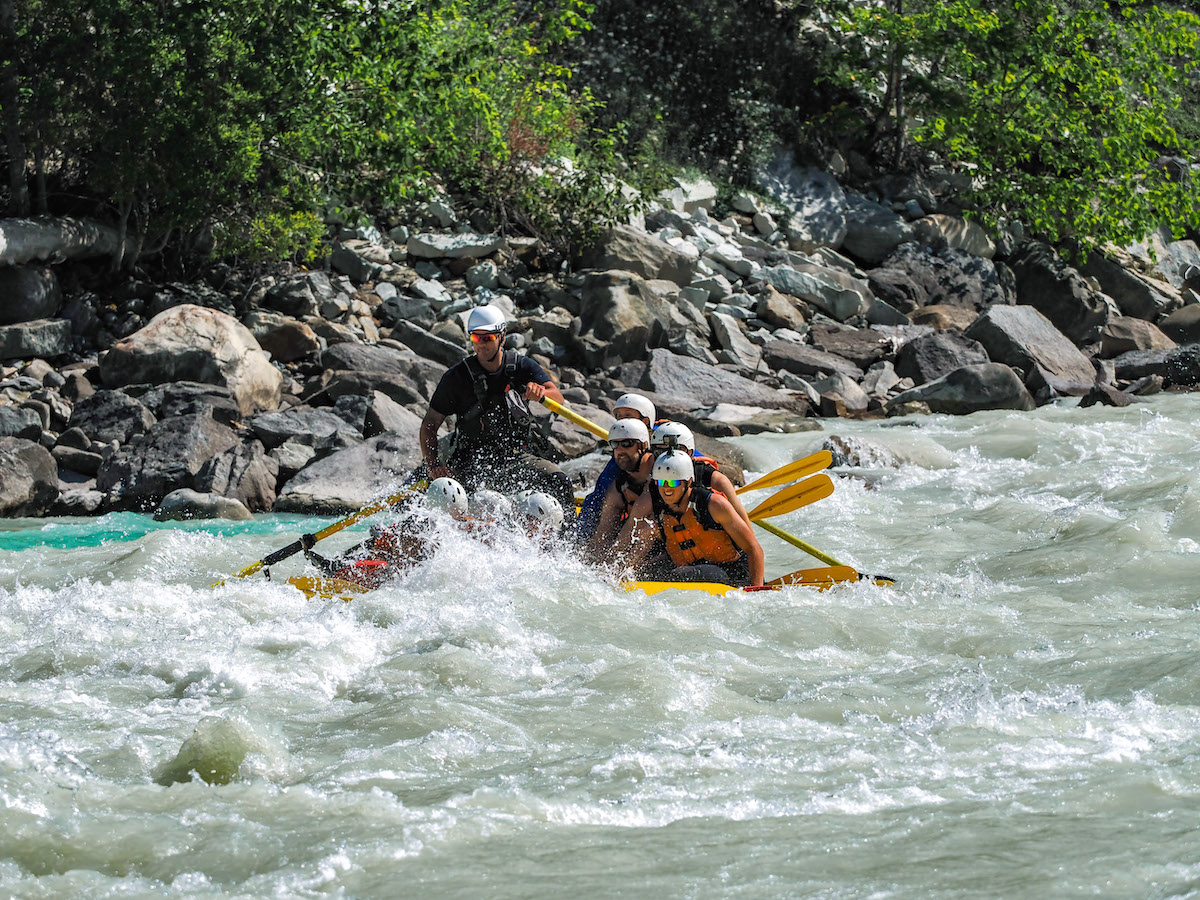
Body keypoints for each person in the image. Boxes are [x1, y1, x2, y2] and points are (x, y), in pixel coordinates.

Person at [419, 304, 574, 514]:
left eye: (488, 338)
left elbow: (559, 398)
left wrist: (542, 394)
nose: (481, 345)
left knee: (559, 480)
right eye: (476, 338)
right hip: (470, 462)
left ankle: (568, 541)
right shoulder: (456, 378)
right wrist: (434, 465)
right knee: (462, 499)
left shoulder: (521, 366)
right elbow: (429, 424)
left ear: (502, 337)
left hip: (517, 457)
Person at [614, 451, 765, 586]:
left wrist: (756, 589)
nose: (666, 488)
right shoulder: (659, 515)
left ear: (689, 482)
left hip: (732, 572)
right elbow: (635, 556)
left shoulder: (714, 505)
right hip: (693, 571)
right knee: (646, 574)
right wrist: (618, 577)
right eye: (661, 482)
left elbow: (754, 548)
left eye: (673, 482)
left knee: (681, 575)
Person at [302, 477, 473, 588]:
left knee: (381, 549)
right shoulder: (417, 527)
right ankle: (336, 566)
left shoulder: (417, 525)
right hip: (394, 569)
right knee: (379, 548)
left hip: (396, 573)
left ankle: (335, 566)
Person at [574, 392, 656, 539]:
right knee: (597, 499)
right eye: (619, 416)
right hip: (631, 513)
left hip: (661, 517)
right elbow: (598, 498)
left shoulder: (664, 439)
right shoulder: (621, 456)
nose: (622, 420)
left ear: (646, 421)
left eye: (628, 415)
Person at [649, 421, 752, 526]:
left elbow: (746, 529)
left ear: (689, 452)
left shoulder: (717, 481)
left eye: (675, 450)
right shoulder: (652, 483)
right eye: (660, 452)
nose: (668, 457)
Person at [584, 419, 654, 558]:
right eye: (615, 444)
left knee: (650, 526)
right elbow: (603, 534)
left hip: (668, 549)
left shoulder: (662, 476)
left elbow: (631, 530)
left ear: (644, 445)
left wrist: (611, 570)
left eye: (627, 444)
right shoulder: (620, 485)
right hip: (646, 548)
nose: (620, 450)